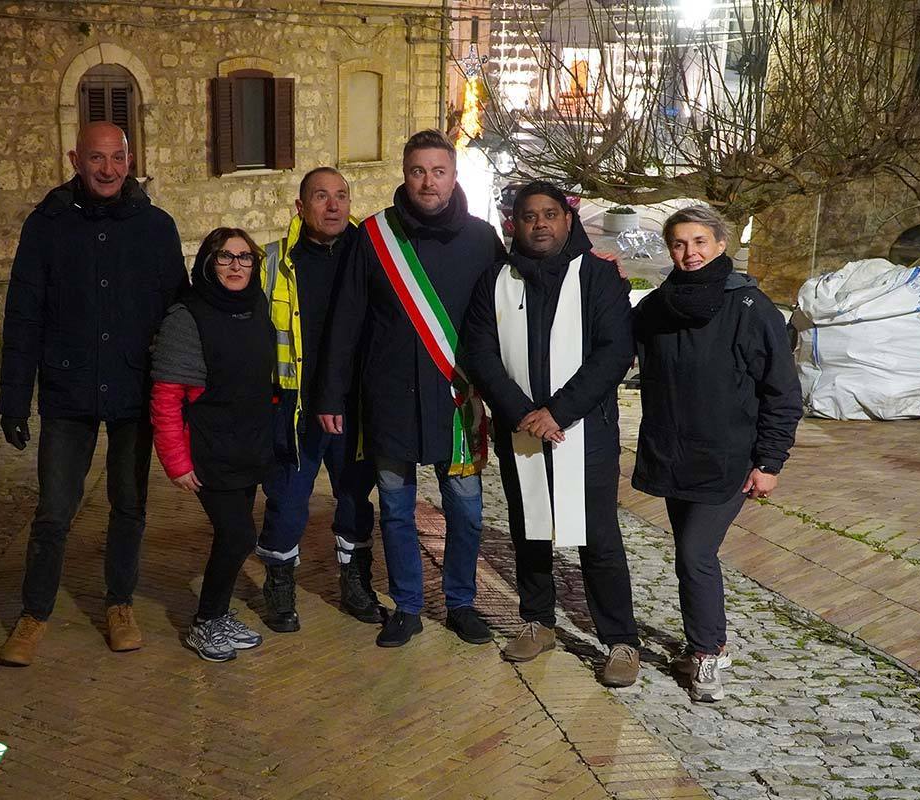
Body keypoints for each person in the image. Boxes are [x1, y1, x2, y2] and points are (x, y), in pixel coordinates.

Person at [0, 121, 186, 666]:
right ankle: (34, 613)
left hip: (134, 388)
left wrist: (183, 398)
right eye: (97, 158)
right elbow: (23, 316)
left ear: (131, 160)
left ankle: (119, 604)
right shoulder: (46, 226)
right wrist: (14, 400)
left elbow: (177, 315)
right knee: (54, 511)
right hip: (68, 388)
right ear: (75, 159)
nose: (108, 169)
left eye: (117, 158)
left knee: (129, 505)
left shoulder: (156, 227)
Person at [314, 130, 504, 648]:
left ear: (454, 176)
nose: (428, 182)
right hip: (389, 400)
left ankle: (460, 603)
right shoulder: (374, 236)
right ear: (404, 173)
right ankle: (408, 606)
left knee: (465, 511)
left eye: (438, 171)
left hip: (457, 402)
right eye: (418, 171)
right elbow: (346, 320)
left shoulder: (482, 239)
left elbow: (514, 306)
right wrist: (330, 395)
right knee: (396, 511)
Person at [461, 181, 640, 686]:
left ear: (567, 219)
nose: (539, 224)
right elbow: (480, 352)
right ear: (514, 225)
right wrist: (521, 413)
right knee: (530, 527)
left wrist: (557, 412)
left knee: (597, 536)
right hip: (521, 428)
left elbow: (614, 352)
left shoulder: (598, 276)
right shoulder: (496, 279)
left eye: (550, 214)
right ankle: (538, 621)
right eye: (529, 216)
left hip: (584, 429)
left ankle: (621, 640)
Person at [632, 205, 801, 702]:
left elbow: (782, 391)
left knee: (695, 553)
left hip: (729, 458)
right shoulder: (657, 307)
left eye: (700, 242)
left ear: (721, 244)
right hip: (674, 453)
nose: (690, 253)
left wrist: (769, 462)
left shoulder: (750, 308)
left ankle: (709, 652)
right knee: (689, 556)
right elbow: (614, 350)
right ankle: (701, 642)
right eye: (679, 244)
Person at [255, 167, 380, 633]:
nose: (333, 206)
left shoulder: (370, 255)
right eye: (321, 196)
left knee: (355, 497)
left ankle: (355, 582)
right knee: (287, 500)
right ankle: (279, 584)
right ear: (300, 206)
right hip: (295, 406)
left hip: (354, 405)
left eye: (341, 196)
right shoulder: (273, 262)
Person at [150, 228, 275, 662]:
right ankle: (205, 623)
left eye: (245, 257)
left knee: (233, 537)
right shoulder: (187, 317)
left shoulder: (256, 306)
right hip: (209, 449)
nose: (236, 265)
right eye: (225, 257)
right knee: (238, 535)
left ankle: (218, 615)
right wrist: (176, 461)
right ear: (208, 262)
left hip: (249, 446)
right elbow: (167, 397)